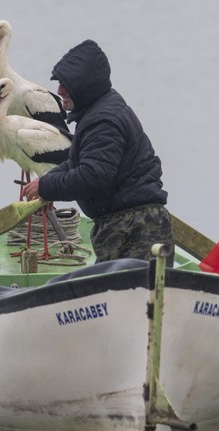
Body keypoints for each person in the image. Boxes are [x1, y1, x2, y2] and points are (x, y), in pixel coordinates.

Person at [22, 39, 173, 264]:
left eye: (66, 84)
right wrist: (47, 183)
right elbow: (79, 164)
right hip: (138, 222)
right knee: (135, 296)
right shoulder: (102, 110)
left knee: (129, 295)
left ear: (84, 85)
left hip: (135, 228)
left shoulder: (103, 121)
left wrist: (46, 186)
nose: (59, 91)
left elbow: (94, 176)